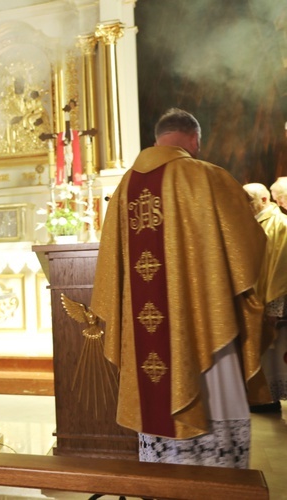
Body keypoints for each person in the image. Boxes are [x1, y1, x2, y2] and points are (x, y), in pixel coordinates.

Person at [92, 108, 272, 469]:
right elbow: (250, 249)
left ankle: (165, 482)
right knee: (215, 399)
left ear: (157, 140)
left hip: (147, 345)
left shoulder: (124, 188)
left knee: (155, 409)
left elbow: (111, 273)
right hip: (208, 332)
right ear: (195, 140)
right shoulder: (207, 178)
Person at [243, 183, 287, 412]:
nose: (245, 206)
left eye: (249, 201)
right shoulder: (249, 223)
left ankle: (269, 398)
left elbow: (281, 269)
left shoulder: (280, 224)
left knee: (273, 353)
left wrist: (274, 307)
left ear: (263, 200)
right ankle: (258, 395)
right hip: (252, 300)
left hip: (270, 302)